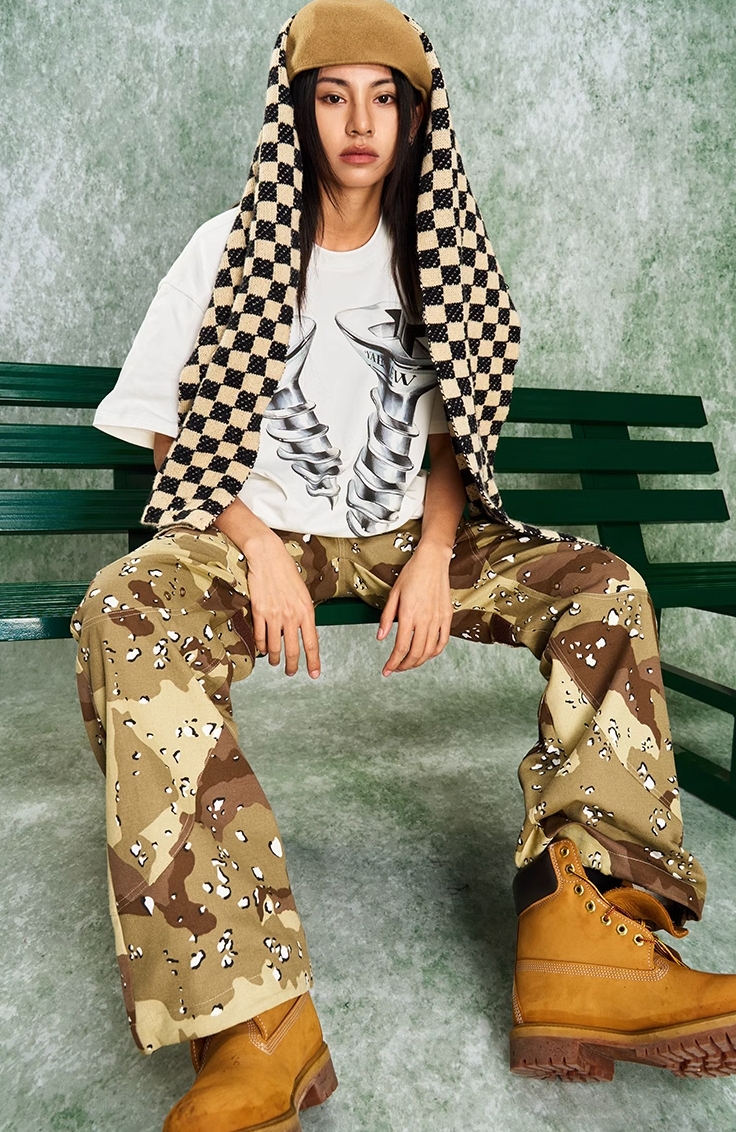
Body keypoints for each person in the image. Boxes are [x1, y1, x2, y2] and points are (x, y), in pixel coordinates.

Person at [70, 1, 736, 1128]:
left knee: (604, 586)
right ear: (298, 113)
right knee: (123, 604)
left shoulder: (441, 257)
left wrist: (433, 556)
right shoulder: (228, 245)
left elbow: (450, 439)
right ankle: (252, 1022)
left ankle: (590, 942)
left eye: (384, 98)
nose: (359, 122)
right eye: (333, 97)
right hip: (255, 534)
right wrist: (257, 549)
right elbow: (163, 426)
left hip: (404, 532)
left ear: (416, 118)